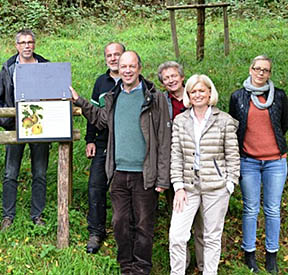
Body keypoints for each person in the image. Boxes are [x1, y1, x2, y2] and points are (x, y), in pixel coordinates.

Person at [70, 51, 171, 275]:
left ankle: (141, 268)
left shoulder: (155, 99)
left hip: (145, 173)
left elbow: (164, 140)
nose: (127, 70)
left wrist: (163, 178)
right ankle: (126, 266)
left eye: (131, 66)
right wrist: (79, 101)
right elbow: (100, 119)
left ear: (139, 68)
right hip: (118, 173)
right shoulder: (112, 97)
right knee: (119, 223)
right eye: (123, 66)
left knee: (144, 225)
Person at [168, 74, 240, 275]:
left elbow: (233, 155)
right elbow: (176, 155)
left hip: (216, 188)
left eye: (202, 90)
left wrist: (230, 184)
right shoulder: (180, 120)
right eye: (193, 92)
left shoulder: (224, 120)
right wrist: (178, 186)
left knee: (211, 237)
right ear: (188, 95)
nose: (197, 95)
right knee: (177, 236)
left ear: (210, 93)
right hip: (188, 188)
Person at [229, 55, 288, 274]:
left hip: (275, 162)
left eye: (266, 70)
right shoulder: (238, 97)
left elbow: (283, 124)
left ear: (270, 73)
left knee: (273, 209)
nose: (261, 73)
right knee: (250, 208)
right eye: (257, 68)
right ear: (250, 69)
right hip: (249, 162)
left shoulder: (280, 96)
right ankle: (249, 254)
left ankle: (271, 254)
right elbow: (234, 127)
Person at [0, 29, 50, 230]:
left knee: (40, 172)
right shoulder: (8, 67)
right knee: (10, 172)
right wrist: (7, 122)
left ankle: (37, 215)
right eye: (23, 42)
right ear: (16, 45)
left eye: (30, 42)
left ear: (35, 45)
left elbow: (54, 95)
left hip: (39, 128)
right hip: (16, 128)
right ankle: (8, 216)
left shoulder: (45, 66)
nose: (27, 46)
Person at [157, 61, 203, 270]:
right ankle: (181, 265)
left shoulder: (196, 96)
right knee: (178, 219)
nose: (171, 80)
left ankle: (203, 265)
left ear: (182, 77)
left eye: (174, 76)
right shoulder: (162, 102)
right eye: (166, 78)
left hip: (200, 167)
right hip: (175, 167)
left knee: (202, 223)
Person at [84, 42, 124, 254]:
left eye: (117, 54)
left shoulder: (137, 82)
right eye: (109, 55)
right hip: (103, 142)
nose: (113, 58)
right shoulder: (101, 82)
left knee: (123, 189)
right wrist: (89, 140)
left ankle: (123, 231)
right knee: (95, 187)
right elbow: (92, 112)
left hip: (126, 144)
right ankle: (96, 231)